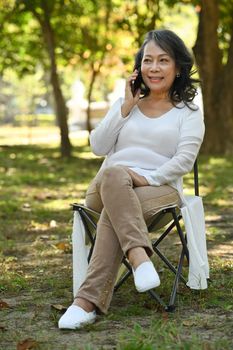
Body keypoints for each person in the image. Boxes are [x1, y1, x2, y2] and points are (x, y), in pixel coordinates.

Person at [58, 29, 205, 330]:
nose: (154, 68)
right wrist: (125, 107)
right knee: (114, 174)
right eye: (148, 60)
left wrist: (145, 177)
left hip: (158, 191)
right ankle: (139, 257)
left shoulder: (188, 113)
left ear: (177, 67)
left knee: (120, 202)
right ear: (139, 68)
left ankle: (85, 303)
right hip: (105, 189)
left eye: (163, 60)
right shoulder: (125, 104)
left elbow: (184, 162)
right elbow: (98, 146)